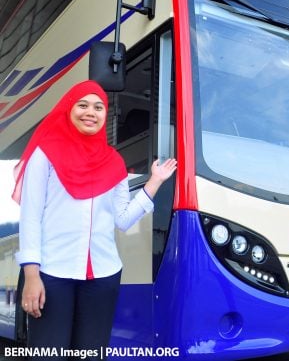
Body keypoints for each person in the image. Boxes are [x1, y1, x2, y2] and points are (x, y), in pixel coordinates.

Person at [12, 80, 177, 360]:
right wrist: (31, 275)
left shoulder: (113, 162)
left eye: (99, 107)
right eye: (83, 105)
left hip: (103, 276)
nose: (91, 112)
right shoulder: (45, 154)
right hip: (52, 273)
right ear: (69, 109)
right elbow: (30, 217)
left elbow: (123, 220)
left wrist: (154, 183)